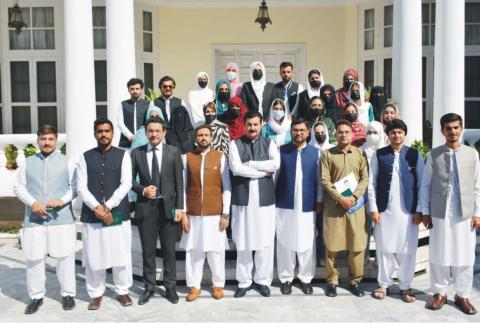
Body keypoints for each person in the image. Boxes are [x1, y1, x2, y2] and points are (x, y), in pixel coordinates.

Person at [419, 113, 480, 315]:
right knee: (439, 252)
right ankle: (440, 293)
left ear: (461, 128)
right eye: (448, 128)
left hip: (465, 213)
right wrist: (425, 212)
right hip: (439, 211)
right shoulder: (434, 154)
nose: (452, 131)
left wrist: (478, 213)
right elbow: (426, 185)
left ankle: (462, 295)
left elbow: (477, 185)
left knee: (465, 255)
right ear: (442, 130)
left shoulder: (472, 154)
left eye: (456, 127)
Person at [14, 125, 77, 314]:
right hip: (34, 218)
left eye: (50, 139)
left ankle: (67, 294)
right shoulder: (28, 161)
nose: (47, 142)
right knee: (33, 258)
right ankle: (36, 296)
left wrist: (62, 200)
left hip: (62, 217)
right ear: (38, 140)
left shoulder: (68, 161)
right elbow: (19, 187)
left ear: (56, 140)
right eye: (43, 139)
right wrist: (33, 203)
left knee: (65, 256)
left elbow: (75, 186)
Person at [76, 117, 133, 310]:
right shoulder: (84, 157)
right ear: (95, 133)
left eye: (107, 131)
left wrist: (107, 205)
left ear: (112, 133)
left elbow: (126, 183)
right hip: (92, 215)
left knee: (121, 253)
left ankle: (123, 290)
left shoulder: (123, 155)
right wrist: (97, 208)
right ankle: (96, 293)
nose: (103, 134)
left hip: (118, 213)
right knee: (94, 255)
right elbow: (81, 187)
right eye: (100, 131)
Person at [367, 119, 424, 303]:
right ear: (388, 135)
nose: (396, 135)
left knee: (408, 250)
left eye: (400, 132)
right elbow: (371, 183)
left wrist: (420, 210)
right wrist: (374, 209)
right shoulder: (379, 155)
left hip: (409, 212)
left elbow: (422, 184)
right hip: (384, 210)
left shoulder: (415, 155)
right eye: (393, 132)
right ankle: (383, 284)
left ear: (404, 134)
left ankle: (405, 286)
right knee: (384, 248)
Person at [130, 116, 185, 305]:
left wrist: (180, 208)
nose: (153, 134)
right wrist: (142, 190)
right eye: (150, 131)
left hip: (168, 209)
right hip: (145, 208)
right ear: (146, 133)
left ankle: (170, 287)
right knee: (148, 250)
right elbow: (129, 180)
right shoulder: (136, 153)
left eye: (157, 131)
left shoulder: (174, 152)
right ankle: (149, 287)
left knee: (169, 250)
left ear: (164, 132)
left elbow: (179, 182)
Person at [228, 111, 280, 298]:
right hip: (242, 201)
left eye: (255, 124)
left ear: (261, 125)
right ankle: (244, 281)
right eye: (249, 124)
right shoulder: (235, 144)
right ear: (244, 124)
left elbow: (275, 165)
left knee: (265, 241)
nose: (252, 128)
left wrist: (251, 164)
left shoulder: (269, 143)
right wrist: (261, 172)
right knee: (243, 242)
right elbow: (236, 169)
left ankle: (262, 281)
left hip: (264, 201)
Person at [180, 125, 231, 301]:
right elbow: (182, 187)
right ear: (196, 138)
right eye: (200, 135)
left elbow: (227, 187)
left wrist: (225, 213)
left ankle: (218, 285)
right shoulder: (186, 157)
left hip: (214, 212)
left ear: (211, 137)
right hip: (193, 213)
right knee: (194, 251)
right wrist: (183, 213)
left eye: (206, 135)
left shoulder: (220, 157)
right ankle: (194, 286)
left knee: (216, 251)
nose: (203, 138)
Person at [321, 119, 369, 298]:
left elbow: (365, 178)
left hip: (355, 208)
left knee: (356, 245)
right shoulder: (327, 155)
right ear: (335, 134)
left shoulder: (359, 154)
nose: (343, 135)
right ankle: (332, 281)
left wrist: (354, 197)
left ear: (352, 134)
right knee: (332, 245)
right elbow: (325, 180)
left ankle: (355, 281)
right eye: (340, 132)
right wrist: (340, 198)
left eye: (346, 132)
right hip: (335, 207)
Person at [275, 119, 320, 295]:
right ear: (291, 132)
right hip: (284, 204)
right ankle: (286, 278)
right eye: (295, 130)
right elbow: (275, 178)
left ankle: (305, 278)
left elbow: (318, 181)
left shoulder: (316, 153)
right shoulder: (282, 151)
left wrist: (319, 201)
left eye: (302, 130)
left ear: (308, 132)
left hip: (307, 204)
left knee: (307, 241)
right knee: (285, 241)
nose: (299, 133)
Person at [308, 121, 334, 267]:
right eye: (316, 133)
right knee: (313, 228)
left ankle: (323, 256)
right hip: (311, 196)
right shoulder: (309, 149)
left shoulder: (332, 149)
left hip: (329, 197)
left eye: (322, 132)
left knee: (325, 229)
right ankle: (313, 257)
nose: (320, 135)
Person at [117, 78, 150, 149]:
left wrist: (140, 137)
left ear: (141, 89)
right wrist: (130, 136)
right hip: (126, 143)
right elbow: (120, 123)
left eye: (137, 89)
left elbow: (149, 123)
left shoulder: (147, 104)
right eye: (132, 89)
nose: (135, 91)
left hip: (143, 142)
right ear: (128, 90)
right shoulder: (123, 104)